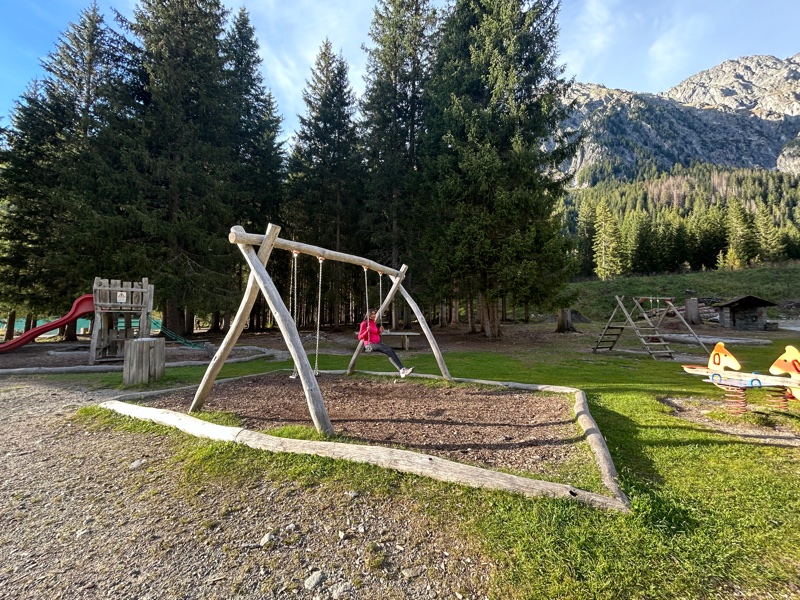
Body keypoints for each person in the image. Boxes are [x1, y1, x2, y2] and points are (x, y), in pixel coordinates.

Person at [358, 308, 414, 378]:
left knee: (391, 351)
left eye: (374, 313)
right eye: (372, 314)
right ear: (368, 315)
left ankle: (402, 370)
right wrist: (367, 331)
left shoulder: (373, 323)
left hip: (377, 343)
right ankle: (401, 370)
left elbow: (375, 333)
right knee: (387, 350)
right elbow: (360, 337)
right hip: (370, 344)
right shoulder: (364, 324)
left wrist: (379, 331)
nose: (374, 315)